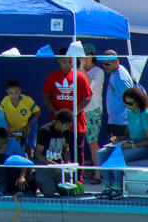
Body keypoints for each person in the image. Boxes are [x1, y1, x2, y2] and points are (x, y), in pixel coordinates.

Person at [96, 87, 148, 200]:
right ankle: (107, 186)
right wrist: (119, 139)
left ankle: (118, 188)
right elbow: (128, 135)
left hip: (145, 147)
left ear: (138, 102)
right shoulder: (130, 113)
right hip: (130, 144)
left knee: (118, 155)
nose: (128, 106)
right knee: (100, 154)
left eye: (130, 104)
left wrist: (131, 145)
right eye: (126, 104)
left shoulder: (145, 114)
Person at [41, 48, 92, 176]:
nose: (68, 64)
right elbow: (46, 96)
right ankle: (60, 178)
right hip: (57, 124)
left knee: (76, 152)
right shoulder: (52, 77)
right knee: (58, 151)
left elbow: (87, 97)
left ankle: (78, 179)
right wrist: (54, 111)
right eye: (65, 62)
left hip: (76, 124)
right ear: (59, 60)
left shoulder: (79, 77)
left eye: (70, 62)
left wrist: (74, 112)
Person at [79, 44, 105, 184]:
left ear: (92, 55)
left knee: (92, 143)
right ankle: (78, 174)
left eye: (86, 54)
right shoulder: (78, 70)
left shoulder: (98, 72)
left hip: (93, 111)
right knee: (77, 143)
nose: (83, 57)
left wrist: (82, 69)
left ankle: (98, 174)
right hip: (79, 110)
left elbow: (88, 86)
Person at [33, 109, 74, 198]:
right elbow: (38, 153)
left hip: (58, 165)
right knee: (49, 193)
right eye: (66, 125)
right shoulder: (45, 131)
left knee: (67, 191)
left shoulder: (66, 131)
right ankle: (35, 179)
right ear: (58, 122)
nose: (68, 128)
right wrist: (53, 165)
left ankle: (53, 183)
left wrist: (67, 163)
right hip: (44, 164)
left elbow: (66, 148)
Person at [101, 50, 135, 138]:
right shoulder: (115, 72)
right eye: (103, 63)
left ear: (116, 62)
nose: (105, 66)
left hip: (122, 124)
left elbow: (132, 101)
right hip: (116, 121)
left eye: (107, 64)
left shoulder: (121, 79)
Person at [0, 79, 40, 152]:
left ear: (20, 91)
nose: (14, 95)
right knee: (14, 149)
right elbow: (1, 114)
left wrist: (27, 127)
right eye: (11, 93)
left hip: (27, 128)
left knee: (28, 149)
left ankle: (29, 157)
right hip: (12, 129)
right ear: (7, 92)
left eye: (16, 93)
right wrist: (7, 127)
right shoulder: (5, 101)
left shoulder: (27, 100)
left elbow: (37, 112)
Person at [0, 127, 28, 195]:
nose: (5, 145)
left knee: (12, 160)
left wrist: (22, 176)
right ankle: (2, 185)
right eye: (2, 143)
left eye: (6, 142)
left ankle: (16, 187)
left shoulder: (13, 142)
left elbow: (24, 161)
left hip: (13, 171)